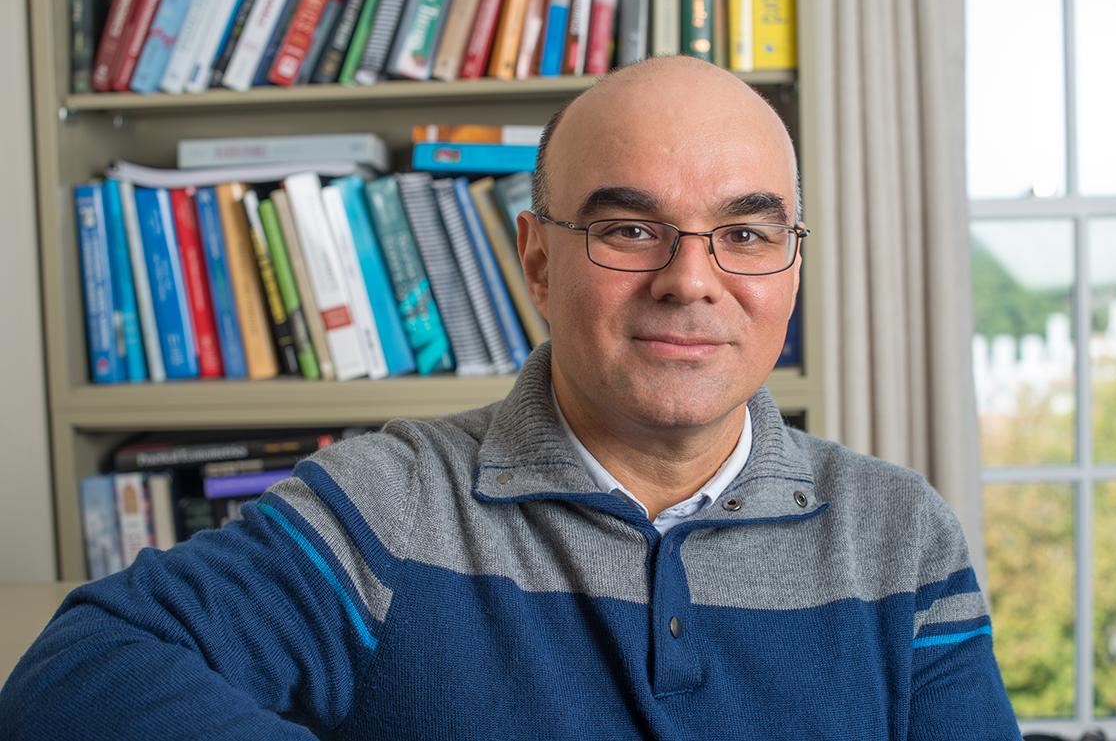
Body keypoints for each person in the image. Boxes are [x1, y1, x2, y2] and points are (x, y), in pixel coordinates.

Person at [0, 56, 1021, 740]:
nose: (691, 279)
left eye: (745, 234)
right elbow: (75, 674)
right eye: (630, 229)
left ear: (791, 267)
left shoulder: (901, 539)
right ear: (538, 260)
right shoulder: (385, 509)